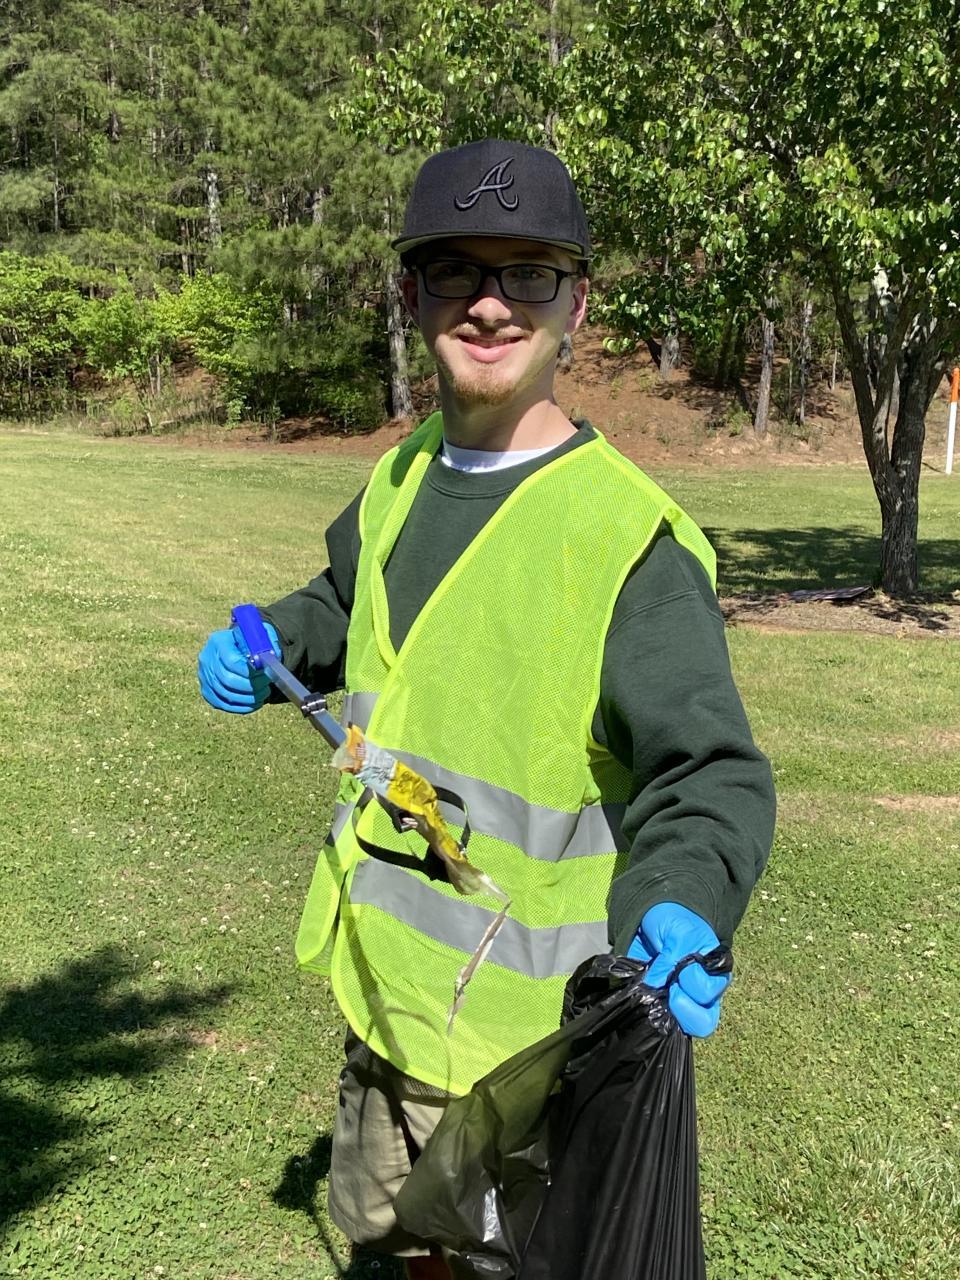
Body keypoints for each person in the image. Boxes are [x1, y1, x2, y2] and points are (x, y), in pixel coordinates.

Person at [198, 139, 776, 1280]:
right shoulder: (403, 475)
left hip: (527, 1060)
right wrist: (274, 644)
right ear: (412, 296)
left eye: (530, 273)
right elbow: (350, 598)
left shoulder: (629, 543)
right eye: (457, 269)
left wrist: (686, 894)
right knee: (392, 1245)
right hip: (387, 1003)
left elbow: (707, 773)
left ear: (577, 302)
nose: (492, 303)